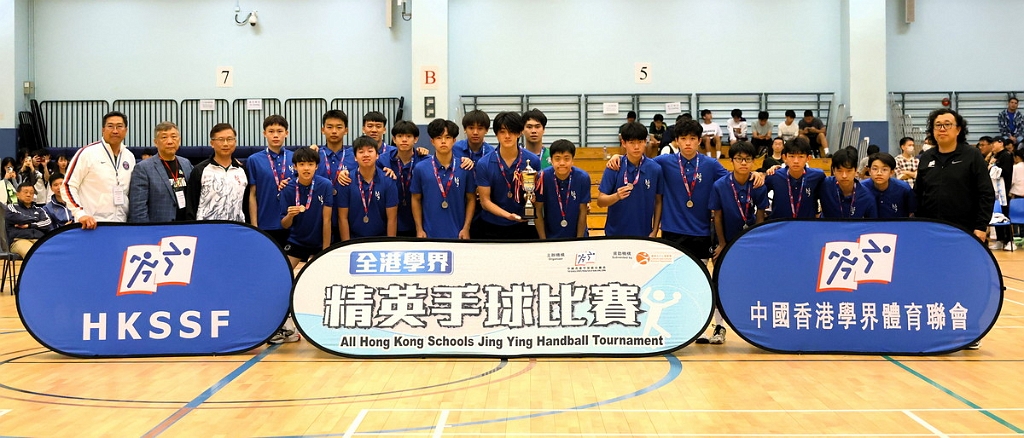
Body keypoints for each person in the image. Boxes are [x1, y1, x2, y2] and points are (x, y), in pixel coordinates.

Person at [915, 108, 994, 350]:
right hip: (931, 234)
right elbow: (919, 195)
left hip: (965, 234)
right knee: (933, 282)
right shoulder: (926, 158)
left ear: (958, 129)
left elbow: (986, 193)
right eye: (938, 125)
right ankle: (936, 327)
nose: (942, 129)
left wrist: (980, 227)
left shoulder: (972, 156)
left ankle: (970, 331)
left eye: (947, 124)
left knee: (966, 283)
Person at [704, 140, 768, 345]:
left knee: (749, 283)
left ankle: (752, 326)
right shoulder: (720, 185)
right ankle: (719, 326)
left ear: (753, 161)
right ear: (731, 161)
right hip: (725, 239)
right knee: (720, 282)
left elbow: (760, 216)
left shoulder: (758, 185)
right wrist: (722, 244)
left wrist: (756, 243)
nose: (743, 163)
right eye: (739, 159)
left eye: (748, 159)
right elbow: (717, 216)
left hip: (749, 242)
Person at [62, 111, 137, 229]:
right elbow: (68, 185)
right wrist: (80, 214)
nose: (115, 131)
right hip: (91, 225)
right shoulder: (87, 153)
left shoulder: (129, 157)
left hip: (121, 224)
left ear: (126, 130)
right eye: (110, 126)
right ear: (103, 129)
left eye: (119, 126)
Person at [474, 111, 540, 240]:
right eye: (502, 132)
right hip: (491, 226)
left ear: (519, 133)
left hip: (524, 226)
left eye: (512, 131)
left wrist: (533, 199)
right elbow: (485, 201)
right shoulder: (484, 163)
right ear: (496, 134)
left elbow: (536, 194)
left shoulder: (532, 161)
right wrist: (508, 216)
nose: (507, 136)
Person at [411, 119, 476, 239]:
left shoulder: (464, 167)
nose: (443, 141)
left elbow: (471, 199)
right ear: (432, 141)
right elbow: (416, 199)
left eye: (448, 137)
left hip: (458, 234)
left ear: (454, 140)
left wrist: (466, 228)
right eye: (439, 138)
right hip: (429, 234)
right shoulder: (420, 168)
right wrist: (419, 229)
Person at [597, 122, 662, 237]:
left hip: (644, 234)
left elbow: (658, 202)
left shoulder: (655, 169)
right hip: (615, 234)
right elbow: (600, 201)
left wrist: (655, 230)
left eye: (640, 142)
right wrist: (616, 196)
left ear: (645, 142)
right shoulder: (614, 167)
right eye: (631, 142)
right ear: (624, 143)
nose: (636, 147)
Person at [128, 122, 194, 223]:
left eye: (174, 137)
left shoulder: (186, 164)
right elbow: (138, 209)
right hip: (159, 227)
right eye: (164, 137)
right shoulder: (143, 168)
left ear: (179, 140)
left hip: (186, 225)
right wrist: (145, 230)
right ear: (156, 142)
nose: (170, 141)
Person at [279, 146, 334, 267]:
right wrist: (290, 215)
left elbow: (327, 220)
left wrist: (325, 251)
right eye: (302, 164)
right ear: (295, 166)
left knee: (318, 273)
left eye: (310, 164)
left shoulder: (325, 185)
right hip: (297, 241)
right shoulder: (287, 188)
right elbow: (285, 224)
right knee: (284, 271)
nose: (306, 168)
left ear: (316, 166)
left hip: (319, 242)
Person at [246, 115, 294, 247]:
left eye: (279, 131)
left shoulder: (295, 157)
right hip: (265, 223)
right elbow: (252, 195)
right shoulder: (254, 160)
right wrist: (254, 225)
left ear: (286, 133)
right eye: (271, 131)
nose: (275, 135)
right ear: (264, 133)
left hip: (291, 223)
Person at [338, 136, 398, 240]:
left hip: (381, 239)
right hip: (354, 240)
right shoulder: (346, 180)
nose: (366, 155)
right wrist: (347, 245)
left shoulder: (388, 180)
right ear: (355, 157)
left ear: (377, 155)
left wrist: (389, 245)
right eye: (361, 152)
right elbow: (342, 218)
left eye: (370, 151)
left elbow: (392, 218)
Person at [186, 123, 248, 221]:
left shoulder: (242, 170)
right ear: (212, 143)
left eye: (230, 139)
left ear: (235, 142)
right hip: (206, 227)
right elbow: (191, 204)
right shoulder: (200, 170)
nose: (225, 144)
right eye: (221, 139)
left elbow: (246, 203)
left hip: (236, 227)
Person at [379, 120, 428, 237]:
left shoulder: (425, 160)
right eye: (400, 136)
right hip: (390, 221)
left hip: (419, 223)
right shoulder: (382, 160)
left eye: (408, 136)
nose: (404, 140)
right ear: (394, 139)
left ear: (416, 139)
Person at [535, 139, 590, 239]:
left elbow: (583, 211)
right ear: (551, 160)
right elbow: (537, 210)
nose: (562, 163)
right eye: (557, 159)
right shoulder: (542, 177)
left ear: (572, 160)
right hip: (550, 236)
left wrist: (579, 239)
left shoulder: (583, 178)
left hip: (576, 235)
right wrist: (543, 240)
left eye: (566, 158)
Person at [766, 137, 825, 219]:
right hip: (780, 223)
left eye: (801, 156)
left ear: (808, 158)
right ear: (784, 158)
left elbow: (826, 196)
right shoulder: (774, 175)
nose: (796, 161)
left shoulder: (818, 176)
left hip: (807, 223)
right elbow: (760, 192)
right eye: (792, 156)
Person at [819, 147, 877, 219]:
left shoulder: (866, 196)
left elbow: (872, 224)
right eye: (839, 171)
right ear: (833, 171)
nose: (844, 176)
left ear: (855, 170)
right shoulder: (824, 185)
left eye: (849, 171)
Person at [4, 182, 51, 258]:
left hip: (40, 240)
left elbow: (47, 223)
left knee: (53, 254)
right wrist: (36, 219)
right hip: (19, 240)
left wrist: (30, 225)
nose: (28, 195)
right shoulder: (11, 207)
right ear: (17, 194)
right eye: (25, 192)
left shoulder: (40, 210)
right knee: (33, 255)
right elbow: (19, 218)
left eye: (31, 193)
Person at [863, 152, 916, 218]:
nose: (879, 173)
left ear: (891, 172)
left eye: (884, 169)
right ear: (869, 171)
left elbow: (911, 214)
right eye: (875, 169)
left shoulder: (904, 189)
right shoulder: (861, 188)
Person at [989, 137, 1014, 250]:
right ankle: (999, 239)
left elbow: (1006, 171)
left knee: (1005, 216)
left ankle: (1009, 241)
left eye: (994, 144)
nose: (992, 146)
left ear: (1001, 143)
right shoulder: (995, 156)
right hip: (995, 192)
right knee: (996, 215)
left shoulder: (1006, 155)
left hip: (1003, 191)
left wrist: (993, 167)